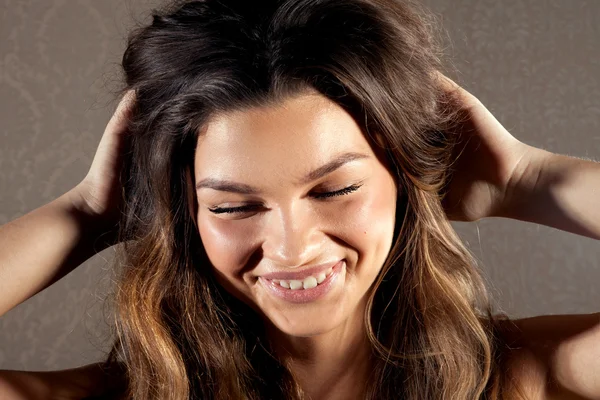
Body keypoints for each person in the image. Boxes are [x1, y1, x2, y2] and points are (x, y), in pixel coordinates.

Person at [1, 0, 599, 399]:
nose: (293, 247)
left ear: (404, 180)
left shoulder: (524, 377)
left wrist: (526, 177)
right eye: (234, 207)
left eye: (335, 189)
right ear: (184, 214)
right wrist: (87, 214)